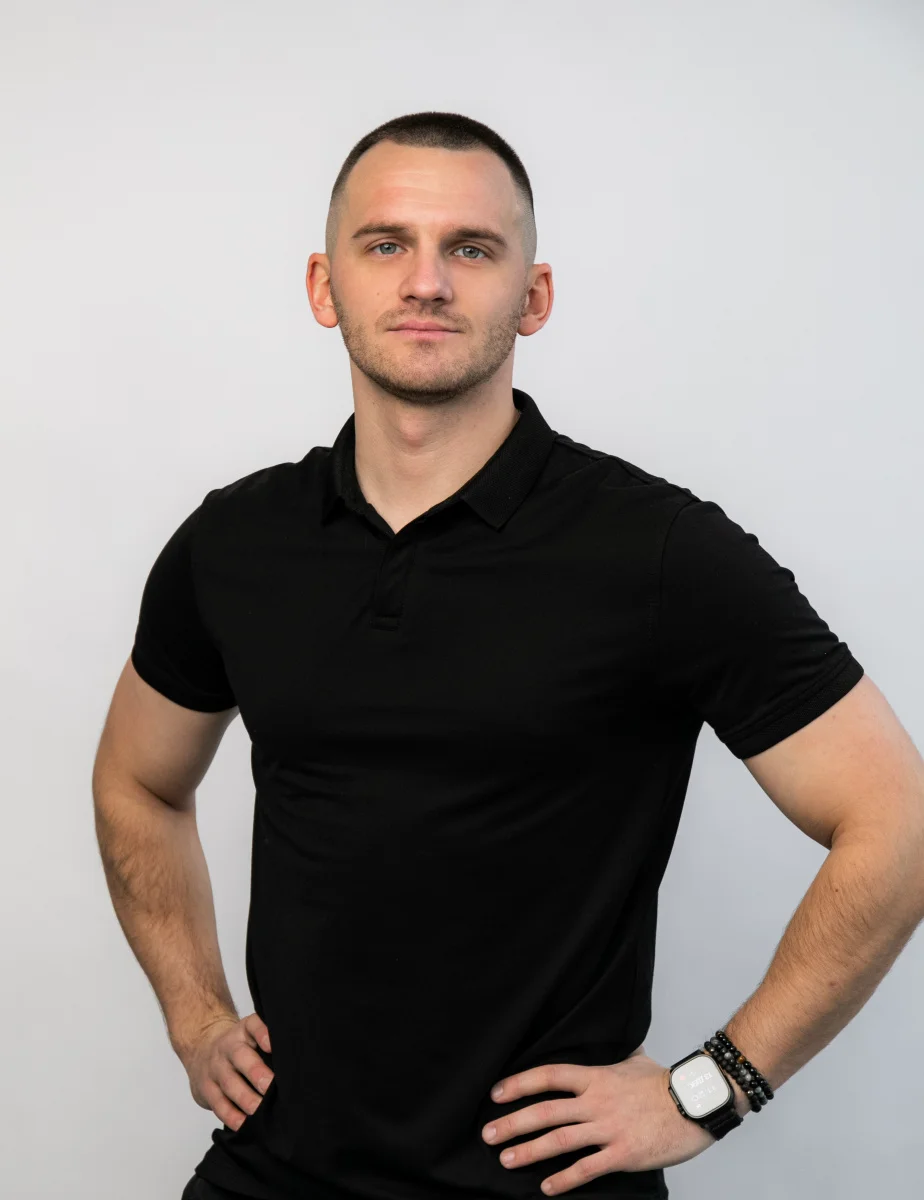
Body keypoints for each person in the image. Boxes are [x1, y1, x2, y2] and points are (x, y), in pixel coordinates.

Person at [93, 111, 924, 1200]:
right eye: (386, 243)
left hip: (549, 1184)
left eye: (471, 249)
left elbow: (898, 819)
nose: (426, 281)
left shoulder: (657, 551)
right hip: (271, 1172)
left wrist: (711, 1089)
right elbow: (138, 783)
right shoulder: (234, 544)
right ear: (324, 286)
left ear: (533, 296)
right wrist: (197, 1016)